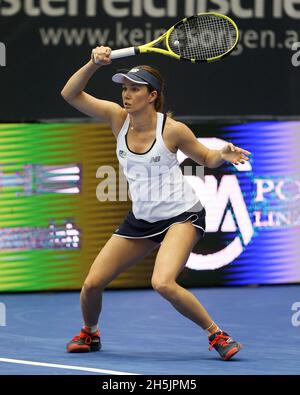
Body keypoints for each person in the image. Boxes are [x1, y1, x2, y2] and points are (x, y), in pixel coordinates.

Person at [61, 46, 251, 360]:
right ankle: (90, 333)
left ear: (151, 96)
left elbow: (206, 157)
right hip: (142, 219)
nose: (126, 94)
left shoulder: (172, 130)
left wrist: (223, 156)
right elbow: (70, 94)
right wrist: (92, 64)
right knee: (92, 285)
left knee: (162, 282)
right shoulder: (116, 119)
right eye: (124, 88)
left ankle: (216, 335)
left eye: (134, 89)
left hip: (181, 216)